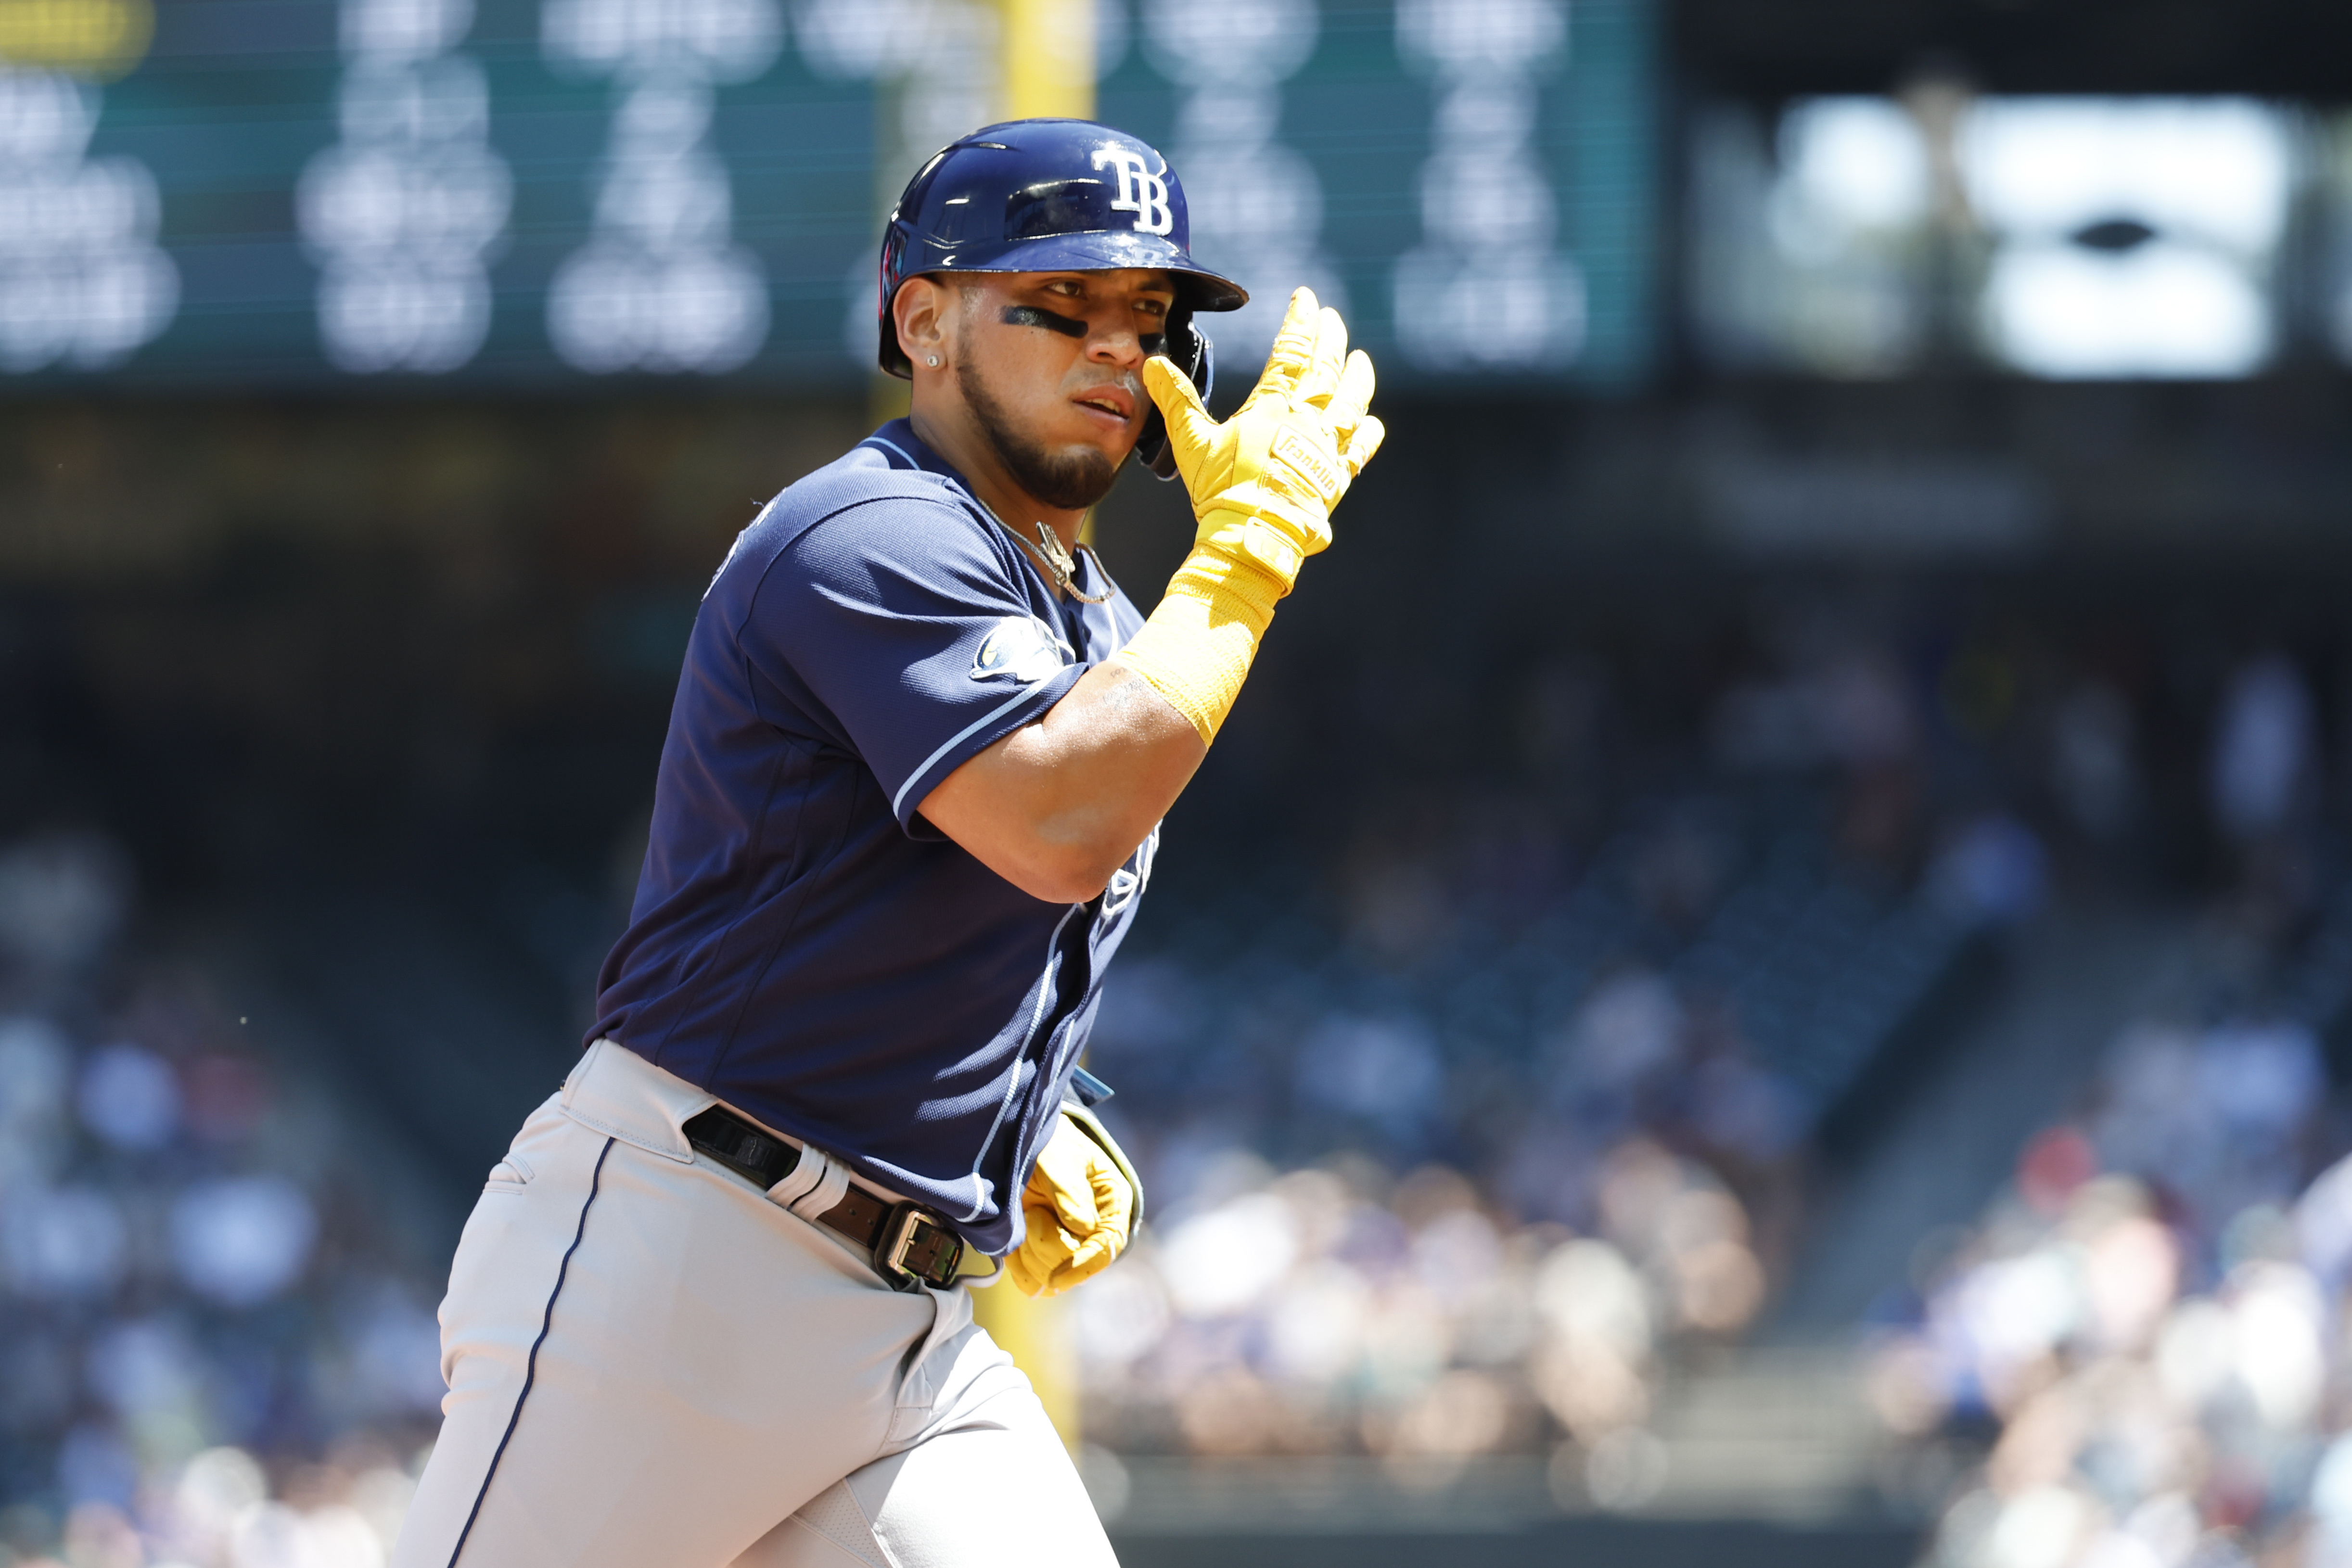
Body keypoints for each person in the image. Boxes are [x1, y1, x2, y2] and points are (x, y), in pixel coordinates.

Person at [390, 117, 1383, 1568]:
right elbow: (1056, 820)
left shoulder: (1101, 618)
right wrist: (1246, 562)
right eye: (1061, 305)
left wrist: (1027, 1107)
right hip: (686, 1261)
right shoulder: (867, 531)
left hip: (905, 1327)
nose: (1121, 349)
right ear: (924, 318)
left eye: (1149, 317)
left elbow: (971, 895)